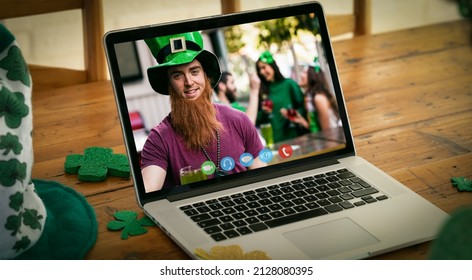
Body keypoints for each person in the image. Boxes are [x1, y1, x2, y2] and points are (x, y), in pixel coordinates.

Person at [141, 31, 266, 192]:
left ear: (205, 76)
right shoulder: (159, 139)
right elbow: (148, 189)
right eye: (177, 75)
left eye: (194, 71)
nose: (189, 82)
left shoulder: (239, 120)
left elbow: (262, 180)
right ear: (169, 83)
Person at [255, 51, 309, 142]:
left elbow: (303, 107)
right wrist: (264, 112)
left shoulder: (289, 84)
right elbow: (256, 120)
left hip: (295, 137)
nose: (261, 72)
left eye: (264, 67)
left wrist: (291, 113)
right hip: (274, 141)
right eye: (259, 69)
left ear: (272, 66)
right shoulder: (261, 91)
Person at [299, 62, 340, 131]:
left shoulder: (319, 98)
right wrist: (301, 120)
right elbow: (316, 128)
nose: (300, 75)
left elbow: (327, 132)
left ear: (312, 76)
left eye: (304, 72)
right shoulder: (310, 97)